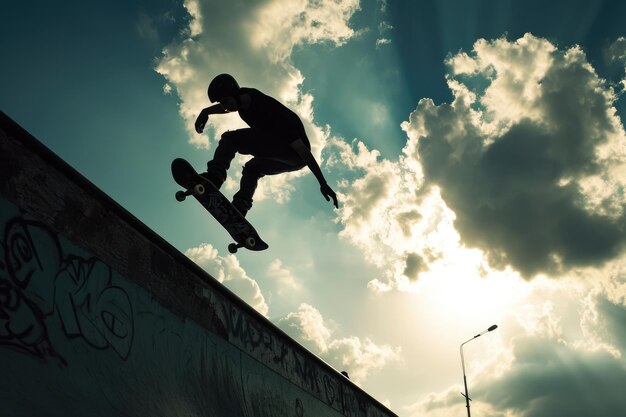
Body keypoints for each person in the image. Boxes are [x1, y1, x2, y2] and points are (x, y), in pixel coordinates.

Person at [194, 73, 338, 217]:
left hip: (295, 152)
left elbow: (304, 151)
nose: (225, 107)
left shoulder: (268, 110)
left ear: (234, 94)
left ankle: (215, 177)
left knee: (230, 139)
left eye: (225, 102)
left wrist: (323, 183)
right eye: (222, 103)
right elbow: (228, 105)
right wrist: (206, 111)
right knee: (252, 168)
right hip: (290, 160)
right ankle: (240, 206)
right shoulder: (242, 101)